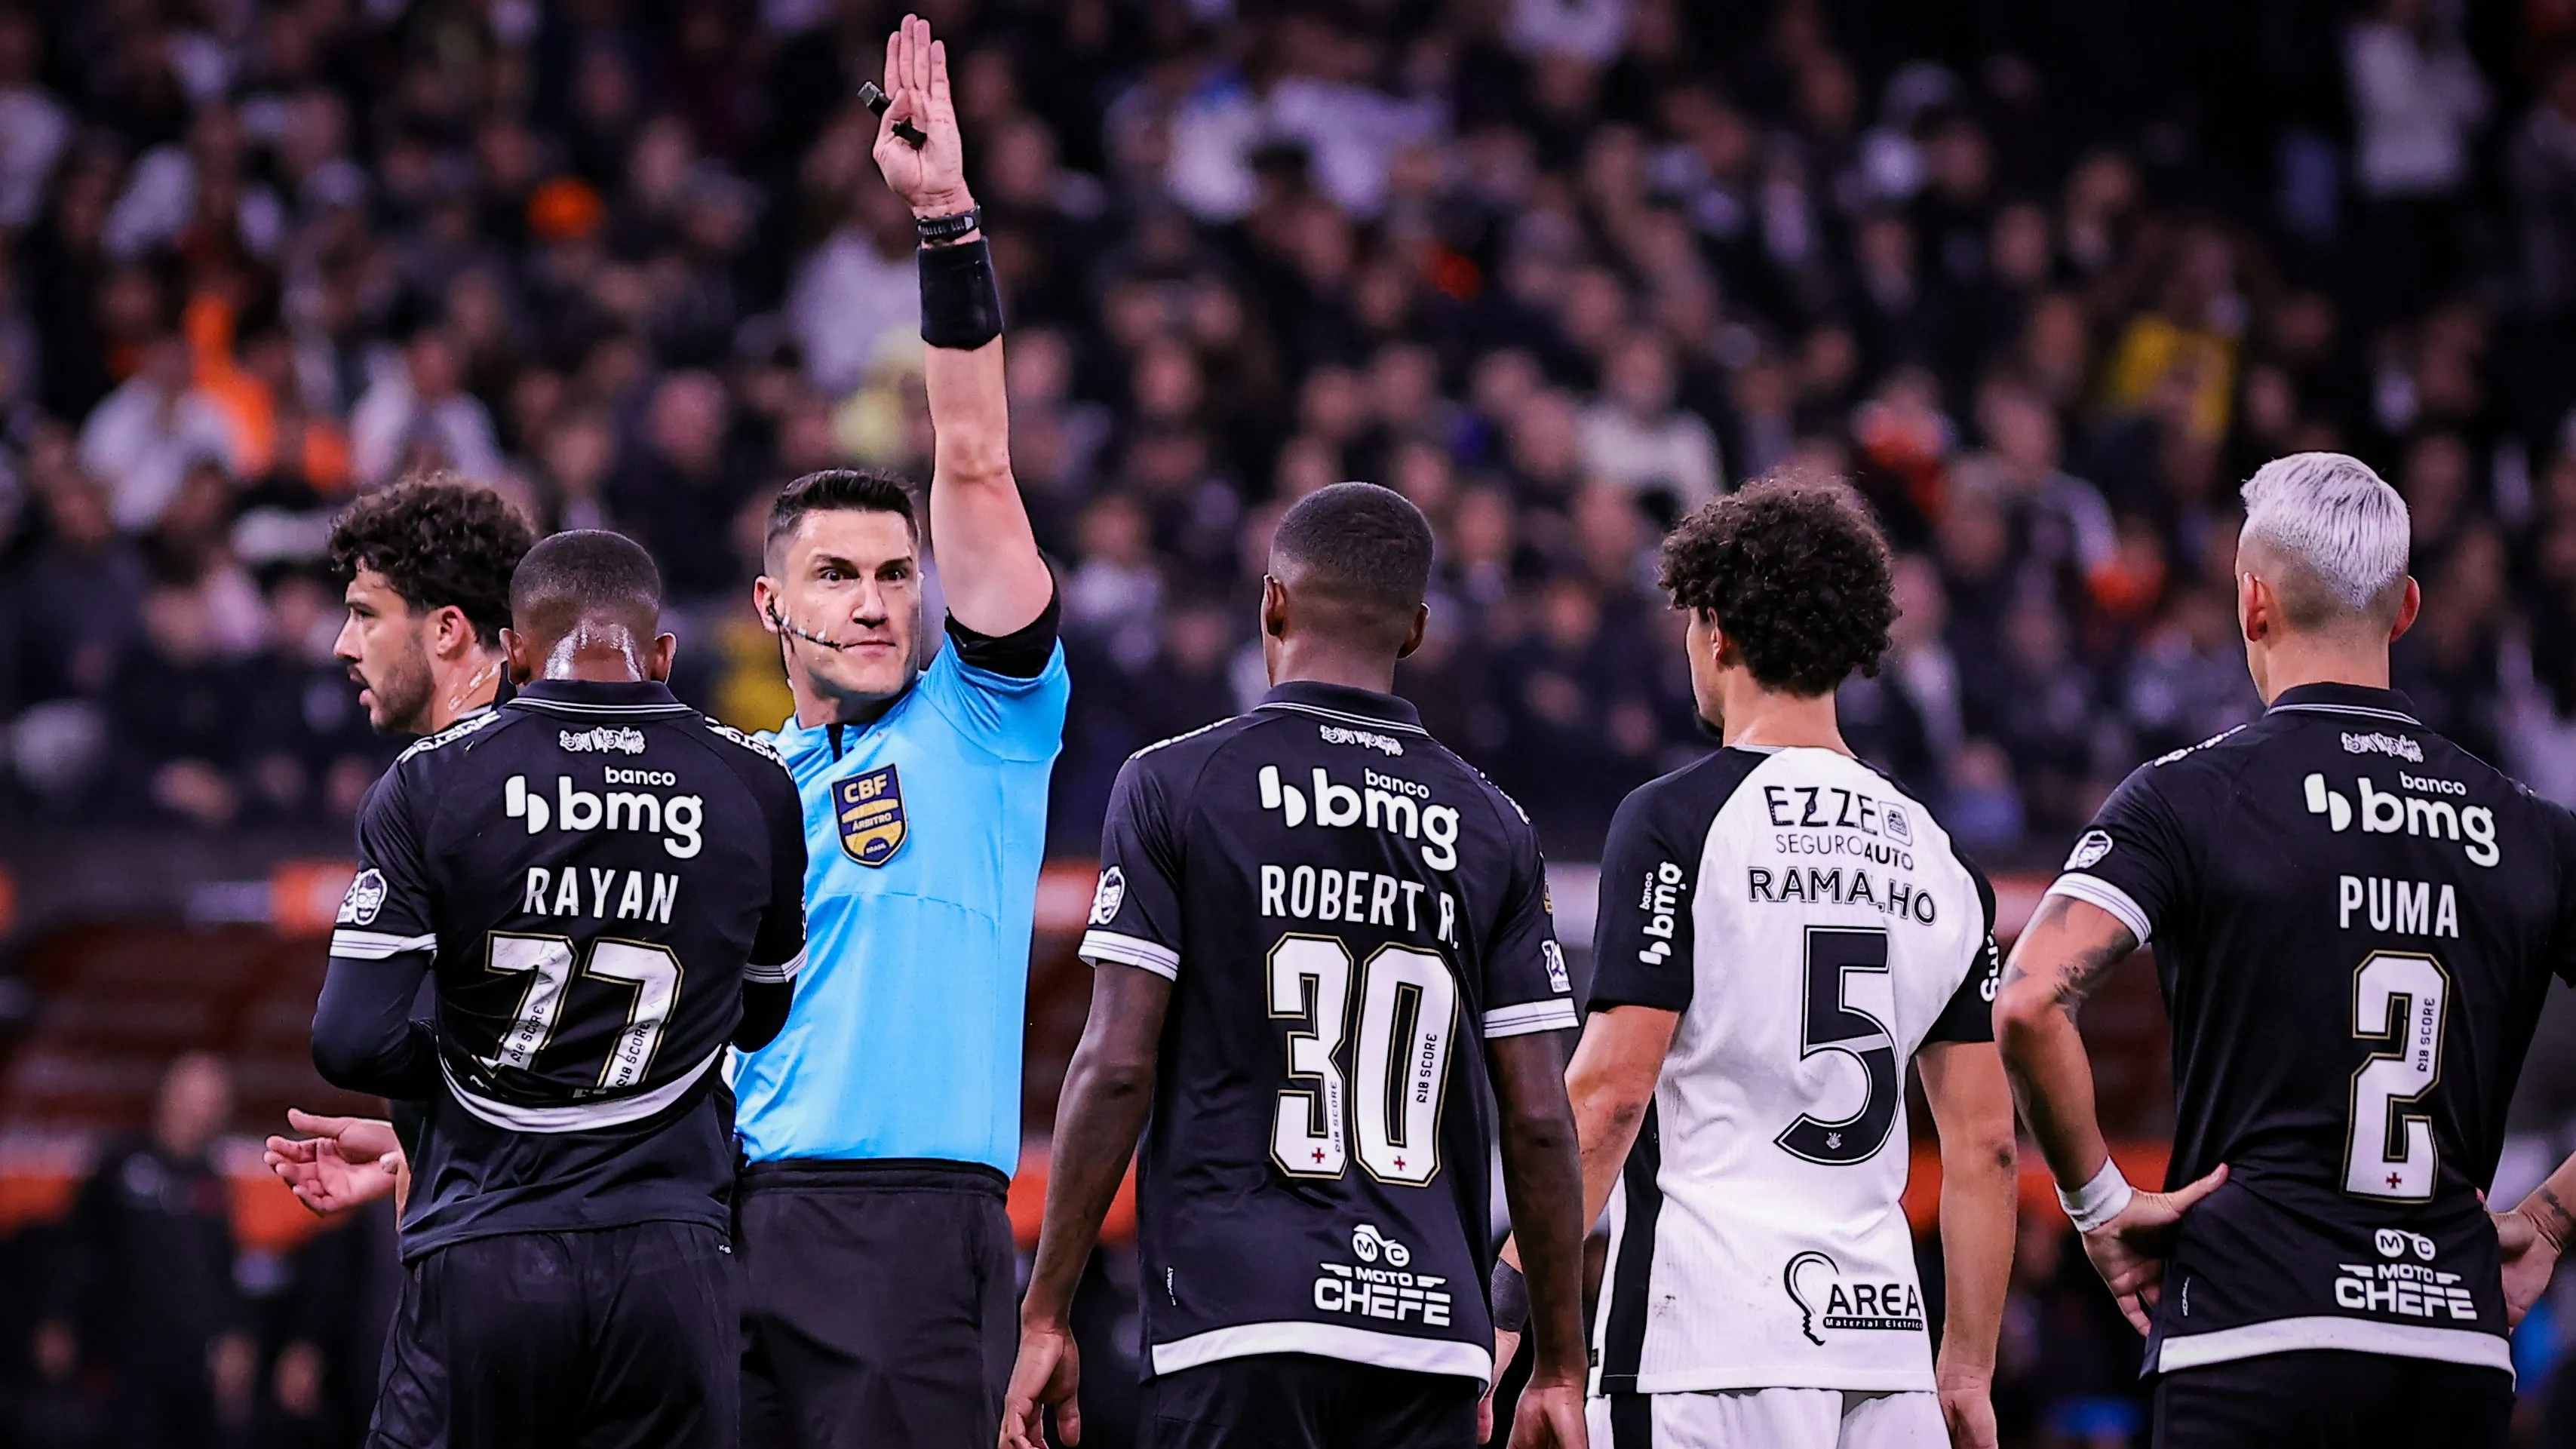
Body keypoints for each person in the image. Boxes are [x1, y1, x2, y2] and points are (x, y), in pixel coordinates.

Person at [1993, 453, 2576, 1449]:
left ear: (2250, 603)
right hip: (2452, 1344)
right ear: (2403, 610)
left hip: (2250, 1330)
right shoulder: (2520, 823)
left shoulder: (2185, 799)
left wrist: (2098, 1205)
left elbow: (2027, 1000)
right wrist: (2553, 1222)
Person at [1004, 481, 1592, 1449]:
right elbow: (1537, 1118)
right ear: (1415, 629)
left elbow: (1115, 1067)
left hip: (1236, 1317)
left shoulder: (1173, 783)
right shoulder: (1494, 824)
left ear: (1271, 601)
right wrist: (1559, 1365)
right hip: (1426, 1332)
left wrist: (1047, 1310)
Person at [1487, 479, 2017, 1449]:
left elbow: (1608, 1097)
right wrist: (1966, 1368)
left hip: (1707, 1347)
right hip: (1881, 1354)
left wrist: (1512, 1300)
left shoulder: (1676, 820)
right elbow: (1986, 1145)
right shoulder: (1941, 856)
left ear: (1716, 631)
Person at [726, 17, 1067, 1447]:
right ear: (771, 605)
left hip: (913, 1230)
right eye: (837, 578)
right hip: (723, 1220)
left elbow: (975, 459)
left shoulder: (985, 722)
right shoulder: (729, 786)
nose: (875, 605)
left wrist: (945, 224)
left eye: (893, 574)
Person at [305, 528, 808, 1448]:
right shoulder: (757, 784)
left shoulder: (431, 783)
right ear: (663, 654)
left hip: (490, 1241)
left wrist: (467, 1066)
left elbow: (350, 1042)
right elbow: (763, 1013)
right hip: (672, 1247)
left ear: (518, 656)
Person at [46, 1053, 254, 1449]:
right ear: (168, 1095)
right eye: (194, 1096)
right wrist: (57, 1318)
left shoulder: (213, 1182)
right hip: (122, 1360)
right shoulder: (119, 1163)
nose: (202, 1110)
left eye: (213, 1100)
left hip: (193, 1365)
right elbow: (74, 1247)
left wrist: (235, 1336)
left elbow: (225, 1269)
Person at [327, 471, 537, 737]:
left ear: (447, 631)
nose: (343, 647)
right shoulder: (588, 752)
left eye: (365, 615)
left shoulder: (422, 776)